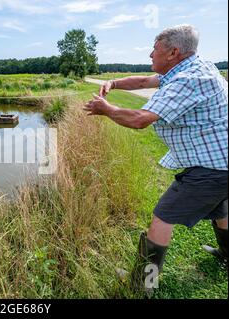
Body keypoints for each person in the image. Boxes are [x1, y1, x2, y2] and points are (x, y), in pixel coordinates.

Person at [83, 24, 228, 292]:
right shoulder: (191, 68)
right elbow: (142, 81)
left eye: (155, 49)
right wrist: (113, 83)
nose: (150, 54)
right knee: (221, 211)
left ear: (173, 52)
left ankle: (142, 283)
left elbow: (140, 120)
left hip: (213, 167)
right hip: (221, 161)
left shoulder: (188, 80)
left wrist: (106, 109)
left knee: (162, 217)